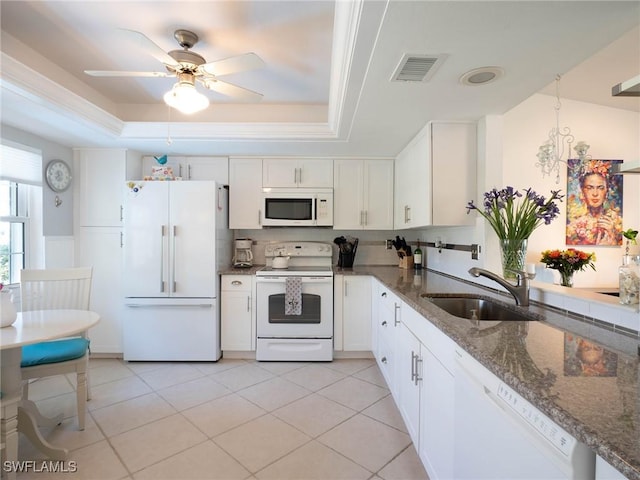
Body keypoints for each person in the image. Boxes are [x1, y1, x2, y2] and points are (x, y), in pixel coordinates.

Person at [566, 160, 622, 246]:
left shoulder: (617, 223)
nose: (595, 194)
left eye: (600, 188)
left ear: (606, 192)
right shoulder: (573, 226)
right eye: (589, 187)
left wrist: (612, 237)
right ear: (582, 192)